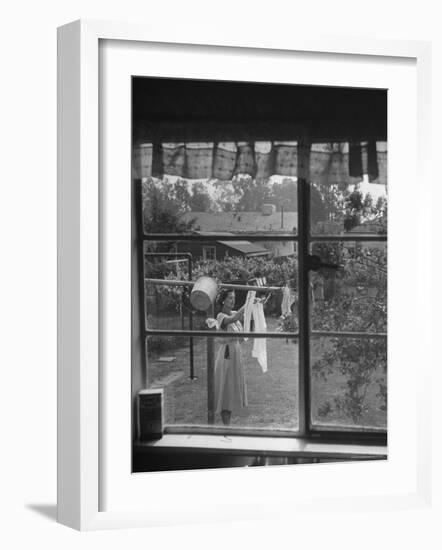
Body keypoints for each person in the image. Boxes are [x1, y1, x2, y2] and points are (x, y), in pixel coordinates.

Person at [214, 289, 248, 425]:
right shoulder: (220, 316)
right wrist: (248, 302)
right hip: (227, 355)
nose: (232, 300)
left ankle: (228, 425)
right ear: (223, 300)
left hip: (236, 354)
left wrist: (256, 304)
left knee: (233, 388)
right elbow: (233, 319)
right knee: (226, 389)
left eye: (233, 298)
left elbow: (243, 315)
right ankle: (226, 426)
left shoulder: (234, 313)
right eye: (229, 298)